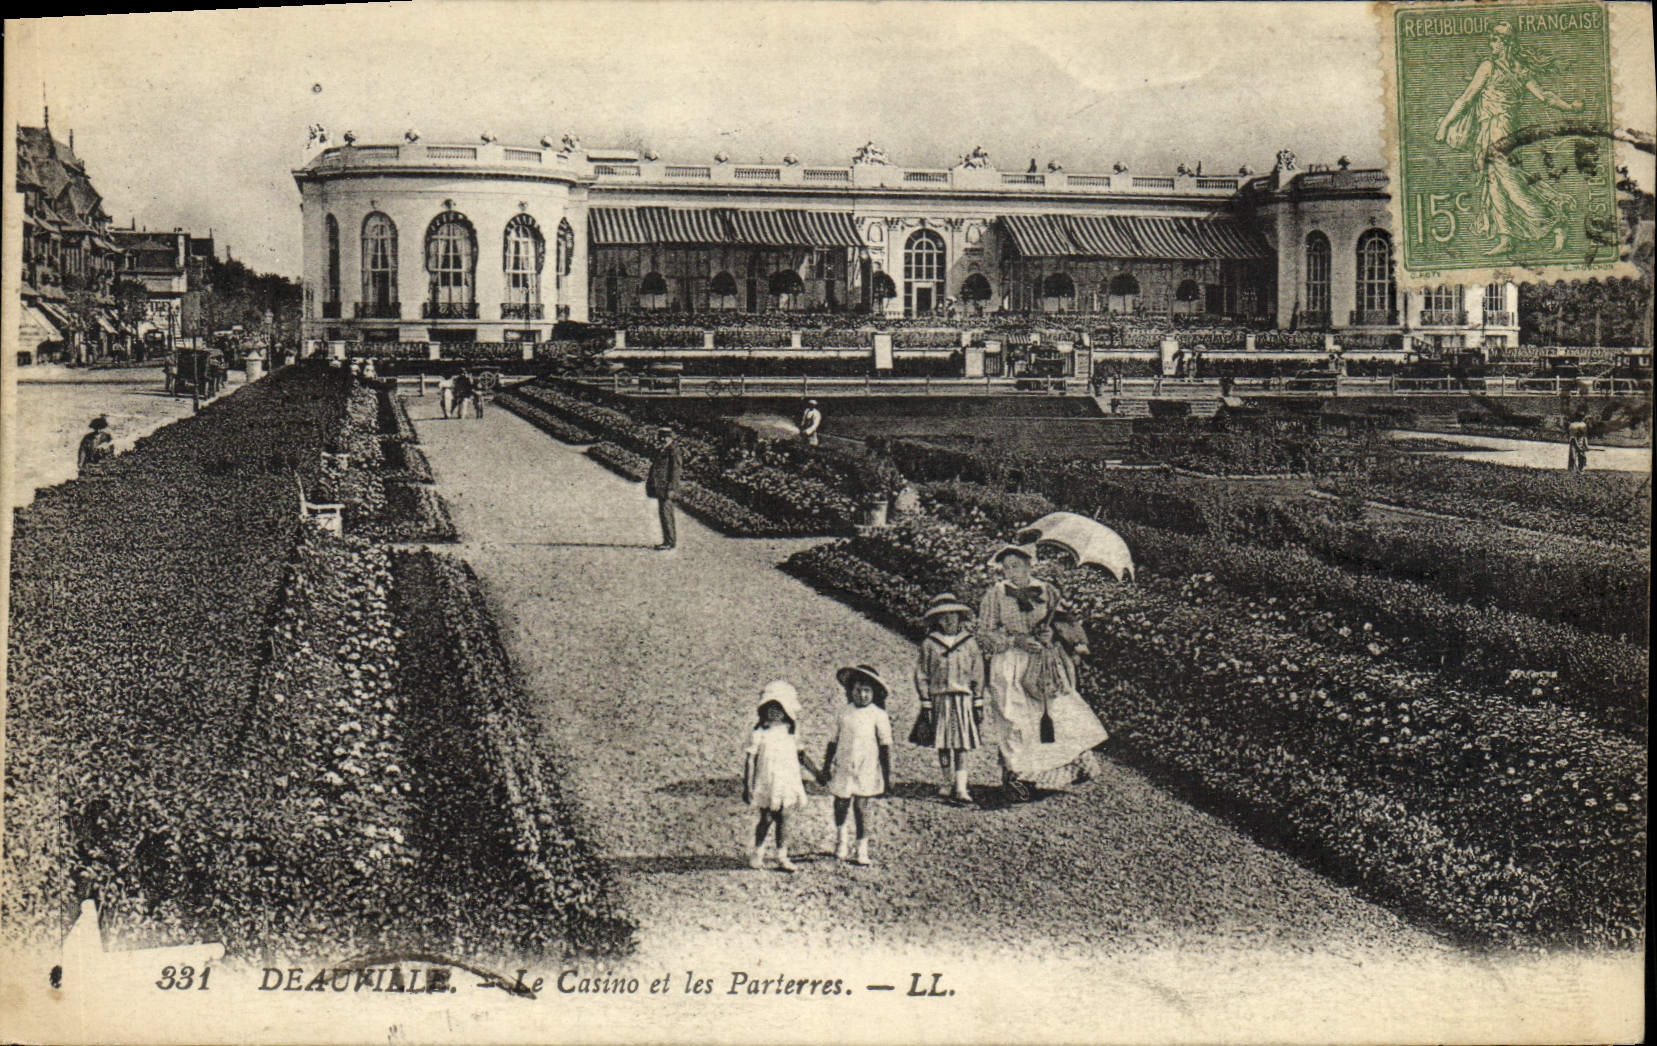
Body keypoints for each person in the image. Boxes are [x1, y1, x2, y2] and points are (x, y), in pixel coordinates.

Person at [1435, 20, 1584, 256]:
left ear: (1505, 43)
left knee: (1511, 184)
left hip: (1502, 130)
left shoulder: (1504, 68)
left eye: (1495, 39)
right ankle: (1506, 237)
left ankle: (1556, 222)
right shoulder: (1499, 68)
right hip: (1489, 131)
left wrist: (1570, 107)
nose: (1491, 43)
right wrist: (1445, 124)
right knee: (1494, 183)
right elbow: (1467, 98)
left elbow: (1544, 96)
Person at [977, 544, 1108, 802]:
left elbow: (1062, 622)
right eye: (1006, 567)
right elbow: (985, 631)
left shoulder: (1047, 591)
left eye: (1015, 565)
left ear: (1028, 565)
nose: (1010, 571)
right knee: (1013, 719)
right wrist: (1014, 641)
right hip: (1010, 662)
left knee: (1051, 717)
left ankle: (1051, 773)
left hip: (1041, 662)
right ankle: (1016, 778)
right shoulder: (997, 593)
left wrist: (1050, 634)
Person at [910, 593, 985, 804]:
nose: (949, 620)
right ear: (937, 620)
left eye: (953, 615)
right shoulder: (930, 644)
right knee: (943, 743)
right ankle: (946, 781)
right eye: (944, 616)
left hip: (962, 699)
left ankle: (961, 787)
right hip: (940, 699)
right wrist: (925, 701)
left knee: (961, 744)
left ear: (959, 617)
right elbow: (922, 674)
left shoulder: (969, 643)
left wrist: (978, 700)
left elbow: (977, 672)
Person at [743, 680, 823, 872]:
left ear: (787, 711)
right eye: (770, 707)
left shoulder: (791, 732)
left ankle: (781, 855)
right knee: (767, 818)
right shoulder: (759, 733)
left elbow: (801, 756)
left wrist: (817, 773)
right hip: (768, 782)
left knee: (785, 817)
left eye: (779, 708)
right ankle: (758, 852)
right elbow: (750, 760)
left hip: (787, 781)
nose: (775, 712)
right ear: (763, 709)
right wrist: (747, 786)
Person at [821, 665, 893, 866]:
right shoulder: (844, 713)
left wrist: (888, 776)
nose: (862, 695)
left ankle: (862, 848)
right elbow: (832, 742)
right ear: (850, 691)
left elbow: (885, 746)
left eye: (867, 691)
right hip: (844, 765)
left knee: (861, 807)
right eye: (858, 690)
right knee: (841, 804)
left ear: (874, 693)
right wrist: (826, 766)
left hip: (866, 767)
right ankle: (841, 840)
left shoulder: (878, 715)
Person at [645, 425, 682, 550]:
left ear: (670, 438)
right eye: (661, 437)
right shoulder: (664, 449)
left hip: (667, 488)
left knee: (666, 514)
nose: (662, 440)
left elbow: (676, 471)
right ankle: (667, 540)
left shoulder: (673, 450)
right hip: (661, 488)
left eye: (665, 437)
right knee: (664, 513)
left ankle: (669, 542)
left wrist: (671, 488)